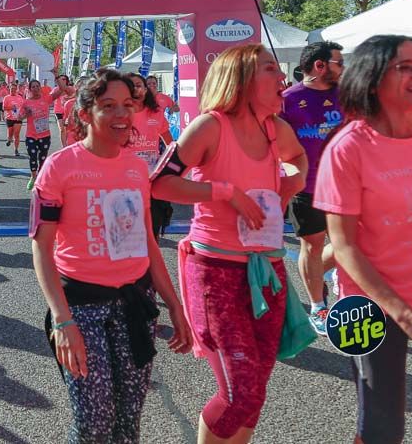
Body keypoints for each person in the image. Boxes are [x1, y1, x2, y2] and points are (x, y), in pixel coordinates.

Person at [151, 44, 308, 444]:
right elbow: (160, 184)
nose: (282, 77)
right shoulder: (210, 126)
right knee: (242, 393)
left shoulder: (275, 128)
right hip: (215, 273)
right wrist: (224, 192)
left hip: (267, 269)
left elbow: (298, 157)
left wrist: (293, 181)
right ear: (241, 78)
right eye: (270, 69)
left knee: (255, 390)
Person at [31, 68, 192, 443]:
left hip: (133, 304)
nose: (122, 115)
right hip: (81, 308)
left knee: (128, 421)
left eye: (127, 105)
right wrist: (62, 321)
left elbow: (147, 242)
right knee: (93, 423)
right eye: (108, 106)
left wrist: (175, 305)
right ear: (85, 114)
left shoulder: (136, 169)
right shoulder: (59, 167)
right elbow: (41, 247)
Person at [313, 35, 412, 444]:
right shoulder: (347, 149)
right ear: (373, 78)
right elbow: (344, 246)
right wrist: (410, 319)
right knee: (381, 430)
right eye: (405, 67)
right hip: (369, 305)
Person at [279, 41, 344, 334]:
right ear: (319, 66)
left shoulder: (347, 94)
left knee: (352, 243)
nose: (343, 69)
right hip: (307, 186)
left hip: (347, 185)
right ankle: (318, 306)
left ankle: (329, 274)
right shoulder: (287, 100)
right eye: (339, 63)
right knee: (312, 245)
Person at [125, 73, 174, 237]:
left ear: (145, 89)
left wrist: (171, 168)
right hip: (125, 179)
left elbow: (170, 143)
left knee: (153, 226)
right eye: (130, 85)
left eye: (139, 85)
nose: (135, 89)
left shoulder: (156, 113)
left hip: (152, 179)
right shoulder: (119, 114)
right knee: (130, 230)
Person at [19, 79, 52, 190]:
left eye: (37, 86)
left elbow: (61, 90)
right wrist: (26, 114)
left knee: (43, 158)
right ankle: (33, 177)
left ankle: (41, 178)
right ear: (30, 89)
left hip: (45, 135)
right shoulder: (26, 102)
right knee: (32, 156)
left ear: (40, 88)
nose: (36, 88)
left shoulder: (46, 99)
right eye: (33, 87)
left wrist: (56, 75)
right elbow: (19, 117)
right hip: (31, 135)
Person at [2, 82, 24, 156]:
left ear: (16, 89)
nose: (13, 90)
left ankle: (16, 150)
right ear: (9, 89)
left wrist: (22, 114)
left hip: (18, 118)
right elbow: (4, 108)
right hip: (9, 118)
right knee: (10, 134)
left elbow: (23, 107)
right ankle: (9, 139)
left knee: (16, 134)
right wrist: (11, 108)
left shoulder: (20, 97)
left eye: (14, 89)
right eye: (12, 89)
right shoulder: (6, 98)